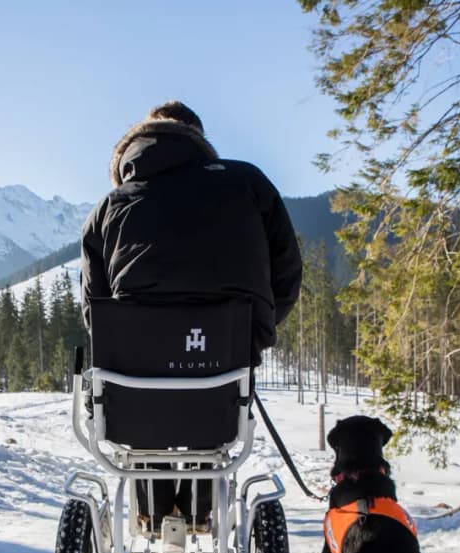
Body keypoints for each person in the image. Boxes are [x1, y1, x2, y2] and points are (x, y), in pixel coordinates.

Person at [81, 100, 302, 528]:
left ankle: (151, 514)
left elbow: (97, 310)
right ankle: (202, 514)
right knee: (210, 417)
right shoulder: (247, 182)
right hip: (221, 364)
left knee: (142, 415)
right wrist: (250, 335)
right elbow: (286, 276)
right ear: (199, 141)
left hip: (135, 385)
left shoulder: (110, 207)